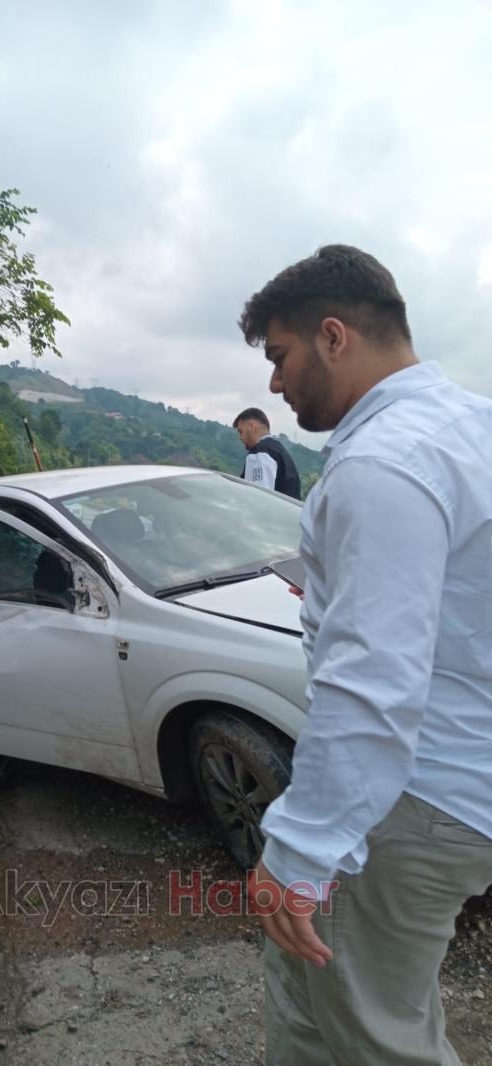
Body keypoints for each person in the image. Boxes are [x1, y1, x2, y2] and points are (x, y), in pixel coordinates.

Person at [238, 244, 492, 1065]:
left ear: (334, 337)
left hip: (411, 794)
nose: (274, 384)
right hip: (449, 774)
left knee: (378, 1038)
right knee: (312, 994)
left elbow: (373, 679)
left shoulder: (384, 463)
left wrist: (302, 851)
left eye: (279, 356)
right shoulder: (467, 427)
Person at [232, 407, 301, 499]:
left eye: (241, 431)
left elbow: (257, 498)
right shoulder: (280, 451)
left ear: (252, 426)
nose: (240, 438)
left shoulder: (260, 452)